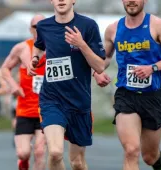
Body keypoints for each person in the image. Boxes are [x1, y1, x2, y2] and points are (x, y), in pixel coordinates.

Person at [93, 0, 161, 170]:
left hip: (152, 96)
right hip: (126, 94)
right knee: (131, 150)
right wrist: (98, 72)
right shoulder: (113, 29)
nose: (131, 1)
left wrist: (153, 68)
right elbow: (105, 58)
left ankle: (157, 159)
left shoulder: (157, 25)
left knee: (149, 157)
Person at [28, 1, 105, 169]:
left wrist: (81, 44)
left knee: (77, 163)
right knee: (55, 152)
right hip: (52, 100)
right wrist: (35, 59)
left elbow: (100, 66)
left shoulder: (88, 26)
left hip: (79, 101)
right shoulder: (43, 26)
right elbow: (38, 46)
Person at [1, 14, 46, 170]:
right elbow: (5, 68)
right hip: (25, 110)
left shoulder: (55, 48)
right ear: (30, 29)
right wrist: (13, 85)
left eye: (42, 25)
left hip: (46, 111)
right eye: (35, 26)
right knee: (23, 153)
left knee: (40, 152)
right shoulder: (22, 48)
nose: (39, 29)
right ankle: (23, 163)